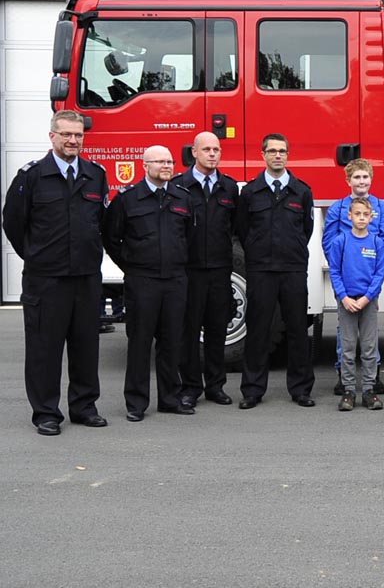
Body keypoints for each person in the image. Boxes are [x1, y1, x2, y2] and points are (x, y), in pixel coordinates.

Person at [3, 111, 109, 436]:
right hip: (46, 280)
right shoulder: (32, 176)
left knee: (86, 346)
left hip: (86, 278)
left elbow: (102, 223)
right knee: (44, 349)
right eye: (66, 134)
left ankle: (84, 406)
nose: (72, 140)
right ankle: (46, 412)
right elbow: (13, 223)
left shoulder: (95, 175)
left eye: (78, 135)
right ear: (52, 136)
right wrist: (37, 256)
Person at [102, 145, 194, 421]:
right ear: (145, 165)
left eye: (169, 161)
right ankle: (136, 403)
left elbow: (188, 235)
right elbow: (111, 237)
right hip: (142, 281)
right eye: (160, 162)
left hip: (175, 280)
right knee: (140, 342)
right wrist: (131, 265)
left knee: (171, 342)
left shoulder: (182, 197)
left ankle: (170, 399)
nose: (166, 166)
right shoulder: (128, 199)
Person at [235, 134, 316, 409]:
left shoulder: (301, 191)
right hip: (261, 270)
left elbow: (306, 229)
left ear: (288, 155)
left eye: (282, 151)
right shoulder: (250, 192)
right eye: (272, 151)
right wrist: (258, 251)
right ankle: (252, 390)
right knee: (258, 331)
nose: (277, 155)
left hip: (292, 269)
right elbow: (243, 229)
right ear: (263, 155)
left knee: (297, 331)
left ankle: (301, 389)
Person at [175, 131, 239, 408]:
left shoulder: (228, 186)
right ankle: (190, 387)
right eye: (207, 150)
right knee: (188, 332)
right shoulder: (179, 186)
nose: (213, 154)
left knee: (217, 330)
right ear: (194, 153)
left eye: (216, 149)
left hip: (220, 269)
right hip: (190, 271)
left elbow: (236, 228)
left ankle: (215, 386)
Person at [323, 159, 384, 396]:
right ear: (348, 181)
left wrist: (370, 257)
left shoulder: (381, 208)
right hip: (345, 277)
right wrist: (345, 260)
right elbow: (329, 242)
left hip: (370, 277)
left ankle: (372, 375)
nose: (361, 181)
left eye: (365, 177)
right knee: (345, 330)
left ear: (371, 180)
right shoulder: (338, 208)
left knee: (369, 329)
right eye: (357, 177)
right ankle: (342, 375)